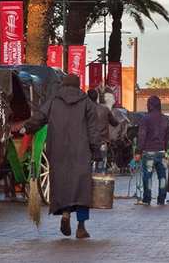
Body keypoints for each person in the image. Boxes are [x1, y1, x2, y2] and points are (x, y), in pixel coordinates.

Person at [24, 74, 100, 239]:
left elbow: (38, 118)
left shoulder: (53, 102)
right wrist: (96, 149)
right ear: (78, 85)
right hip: (81, 151)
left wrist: (28, 127)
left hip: (57, 150)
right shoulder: (87, 103)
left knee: (63, 183)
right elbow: (94, 128)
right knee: (81, 187)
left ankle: (66, 214)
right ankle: (81, 226)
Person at [133, 95, 169, 206]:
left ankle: (147, 199)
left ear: (150, 105)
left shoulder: (146, 119)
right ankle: (161, 199)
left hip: (148, 152)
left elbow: (142, 136)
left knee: (148, 176)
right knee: (162, 176)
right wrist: (165, 147)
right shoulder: (165, 119)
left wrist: (138, 152)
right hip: (161, 152)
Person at [89, 89, 119, 173]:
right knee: (101, 166)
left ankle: (88, 185)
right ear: (97, 97)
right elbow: (115, 122)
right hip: (102, 141)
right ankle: (101, 184)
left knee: (87, 167)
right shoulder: (105, 109)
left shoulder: (84, 109)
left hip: (88, 142)